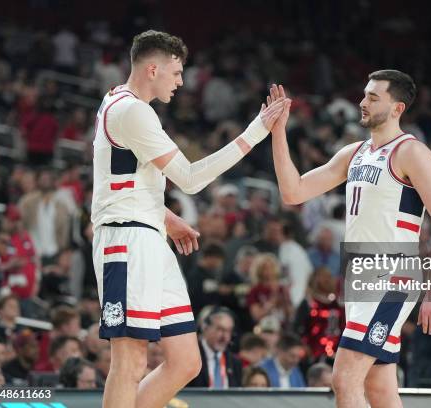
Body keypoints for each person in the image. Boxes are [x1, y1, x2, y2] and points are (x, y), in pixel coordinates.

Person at [90, 30, 285, 408]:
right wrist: (256, 130)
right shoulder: (132, 110)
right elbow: (191, 179)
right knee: (129, 362)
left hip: (147, 235)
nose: (181, 82)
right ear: (152, 69)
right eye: (176, 73)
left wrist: (164, 218)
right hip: (126, 241)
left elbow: (120, 180)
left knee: (185, 361)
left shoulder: (117, 101)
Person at [270, 69, 431, 407]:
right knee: (379, 387)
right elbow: (293, 192)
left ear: (398, 108)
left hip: (392, 275)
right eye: (364, 94)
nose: (362, 102)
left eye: (373, 97)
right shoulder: (353, 153)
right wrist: (278, 132)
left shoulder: (411, 152)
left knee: (343, 378)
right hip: (359, 278)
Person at [188, 307, 242, 388]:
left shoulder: (235, 363)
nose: (225, 336)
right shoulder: (190, 357)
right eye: (220, 329)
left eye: (229, 331)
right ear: (205, 328)